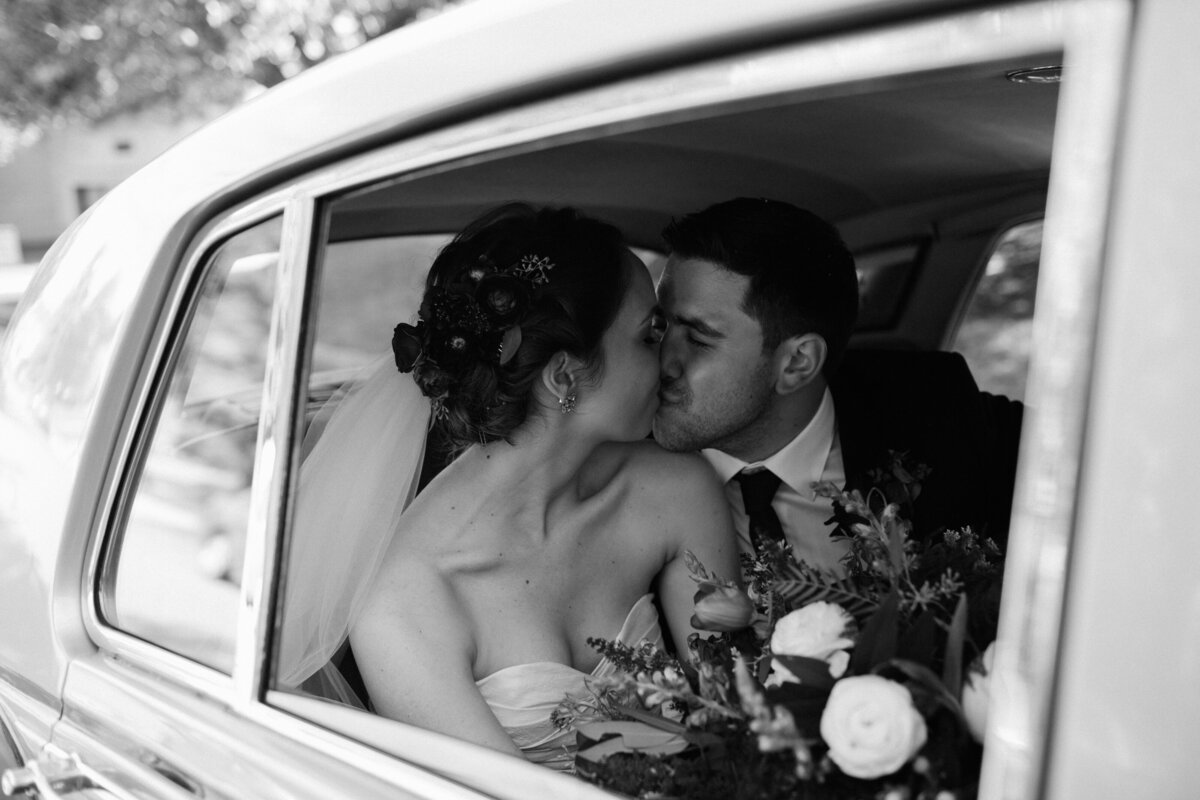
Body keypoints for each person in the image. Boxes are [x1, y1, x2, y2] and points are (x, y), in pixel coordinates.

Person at [287, 205, 739, 772]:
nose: (673, 361)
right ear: (563, 376)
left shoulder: (675, 488)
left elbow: (744, 720)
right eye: (649, 336)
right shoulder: (407, 603)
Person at [652, 197, 1022, 571]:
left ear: (798, 363)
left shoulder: (935, 408)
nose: (660, 362)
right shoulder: (621, 462)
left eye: (698, 339)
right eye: (657, 325)